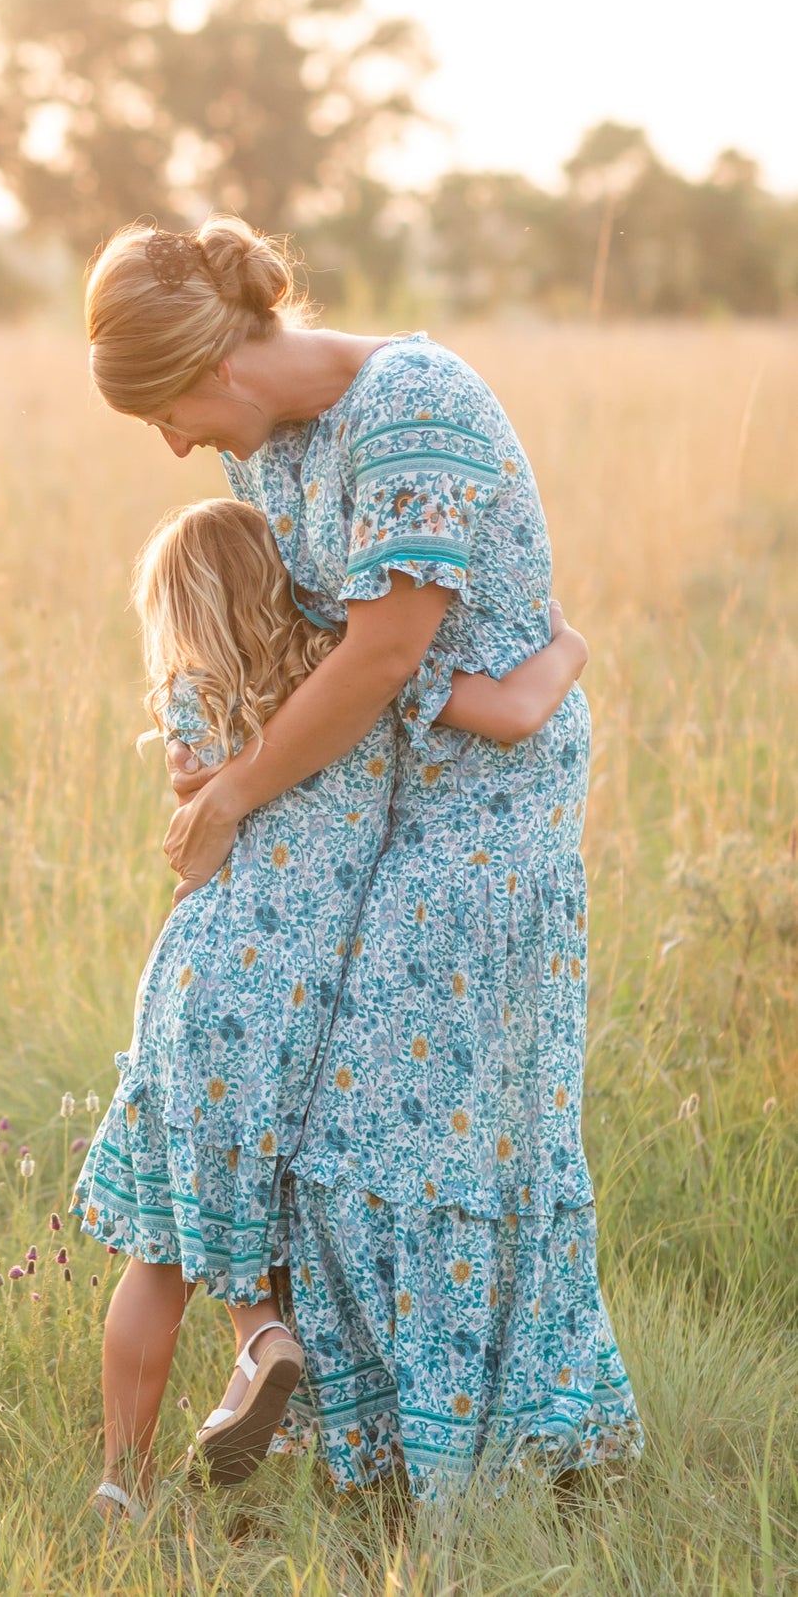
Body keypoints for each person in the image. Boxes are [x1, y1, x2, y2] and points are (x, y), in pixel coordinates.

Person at [84, 217, 643, 1500]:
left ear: (211, 363)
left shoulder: (414, 402)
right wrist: (222, 759)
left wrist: (231, 790)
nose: (172, 446)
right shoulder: (267, 460)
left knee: (412, 1134)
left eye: (163, 412)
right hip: (352, 804)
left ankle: (484, 1459)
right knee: (335, 1129)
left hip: (476, 813)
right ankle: (367, 1451)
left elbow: (384, 655)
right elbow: (299, 652)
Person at [82, 495, 587, 1522]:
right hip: (316, 1003)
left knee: (159, 1244)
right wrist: (567, 638)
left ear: (174, 613)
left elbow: (200, 851)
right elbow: (515, 709)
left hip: (201, 984)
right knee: (267, 1205)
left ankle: (123, 1480)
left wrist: (208, 792)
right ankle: (276, 1348)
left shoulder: (195, 701)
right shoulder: (355, 678)